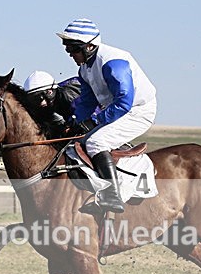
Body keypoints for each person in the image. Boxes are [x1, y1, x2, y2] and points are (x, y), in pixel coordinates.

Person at [57, 18, 157, 214]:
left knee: (96, 142)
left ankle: (112, 195)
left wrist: (92, 122)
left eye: (73, 49)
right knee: (77, 141)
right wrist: (74, 123)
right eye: (67, 49)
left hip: (138, 110)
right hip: (118, 109)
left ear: (89, 46)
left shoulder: (113, 63)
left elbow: (123, 103)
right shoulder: (85, 68)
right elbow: (87, 102)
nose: (70, 54)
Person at [21, 70, 80, 137]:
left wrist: (71, 126)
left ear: (50, 92)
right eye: (35, 100)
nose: (42, 103)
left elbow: (88, 115)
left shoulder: (71, 94)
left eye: (40, 98)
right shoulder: (43, 107)